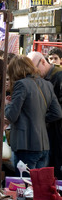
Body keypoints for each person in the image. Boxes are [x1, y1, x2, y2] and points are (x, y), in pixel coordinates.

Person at [5, 55, 62, 171]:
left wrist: (7, 104)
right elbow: (57, 113)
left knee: (25, 184)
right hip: (44, 145)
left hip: (25, 144)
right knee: (37, 185)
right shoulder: (47, 84)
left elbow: (11, 116)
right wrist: (39, 117)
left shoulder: (21, 84)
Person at [28, 50, 62, 178]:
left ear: (43, 62)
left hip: (57, 133)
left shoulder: (58, 77)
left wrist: (40, 117)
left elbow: (57, 112)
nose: (33, 73)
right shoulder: (43, 78)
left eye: (34, 68)